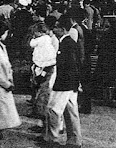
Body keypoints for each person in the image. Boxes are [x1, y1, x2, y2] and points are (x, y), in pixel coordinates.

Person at [41, 15, 82, 148]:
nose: (54, 29)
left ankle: (51, 139)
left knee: (53, 110)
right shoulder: (69, 42)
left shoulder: (66, 44)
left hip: (64, 83)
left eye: (57, 27)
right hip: (71, 83)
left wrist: (58, 85)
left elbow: (68, 66)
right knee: (71, 112)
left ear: (63, 29)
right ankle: (74, 140)